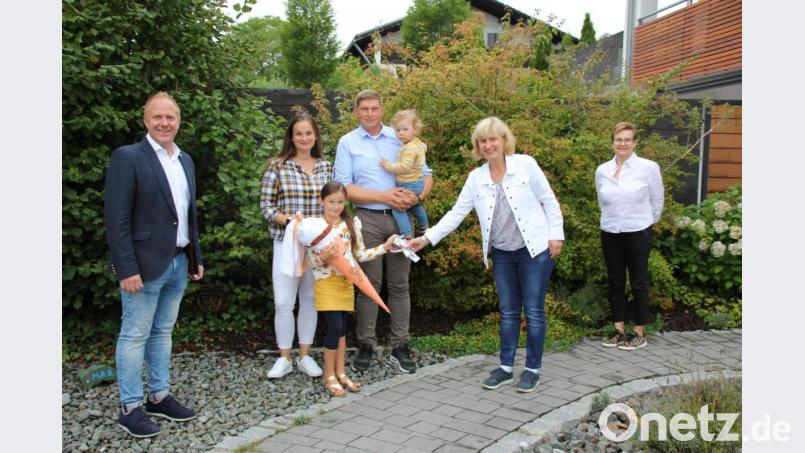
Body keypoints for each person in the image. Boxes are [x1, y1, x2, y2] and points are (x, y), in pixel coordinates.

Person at [410, 117, 564, 393]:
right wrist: (426, 238)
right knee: (507, 311)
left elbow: (549, 200)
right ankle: (505, 367)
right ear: (477, 147)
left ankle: (532, 369)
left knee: (534, 311)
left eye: (493, 139)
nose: (488, 144)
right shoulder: (476, 177)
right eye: (483, 140)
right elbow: (456, 213)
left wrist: (556, 235)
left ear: (505, 141)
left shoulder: (525, 165)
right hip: (503, 252)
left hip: (534, 249)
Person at [104, 92, 204, 438]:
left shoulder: (185, 160)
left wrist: (195, 258)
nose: (164, 123)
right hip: (143, 267)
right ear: (146, 121)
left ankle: (159, 396)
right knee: (134, 334)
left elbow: (188, 215)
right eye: (157, 117)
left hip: (178, 263)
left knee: (163, 332)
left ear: (178, 121)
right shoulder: (128, 158)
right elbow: (116, 219)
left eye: (170, 118)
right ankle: (130, 407)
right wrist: (125, 268)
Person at [334, 89, 433, 373]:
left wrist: (417, 198)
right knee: (368, 285)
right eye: (363, 109)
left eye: (374, 108)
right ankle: (366, 344)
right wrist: (384, 197)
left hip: (402, 218)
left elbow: (426, 175)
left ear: (381, 109)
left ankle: (400, 345)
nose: (369, 113)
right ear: (356, 112)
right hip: (368, 220)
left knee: (400, 284)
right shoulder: (348, 142)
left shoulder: (400, 134)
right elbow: (344, 188)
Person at [260, 113, 333, 378]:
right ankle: (284, 358)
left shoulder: (327, 167)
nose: (304, 138)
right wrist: (290, 222)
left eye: (308, 133)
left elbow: (335, 204)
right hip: (286, 243)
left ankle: (304, 356)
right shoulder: (277, 166)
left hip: (316, 246)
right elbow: (266, 207)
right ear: (291, 137)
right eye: (299, 133)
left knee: (310, 300)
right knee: (283, 302)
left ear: (315, 136)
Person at [308, 181, 398, 396]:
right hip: (326, 283)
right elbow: (312, 262)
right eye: (331, 201)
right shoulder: (315, 226)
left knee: (342, 330)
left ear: (346, 201)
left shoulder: (351, 224)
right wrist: (324, 257)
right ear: (322, 201)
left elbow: (359, 256)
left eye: (340, 202)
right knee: (335, 327)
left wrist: (384, 248)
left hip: (346, 284)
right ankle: (329, 376)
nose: (335, 206)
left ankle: (341, 373)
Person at [595, 122, 664, 351]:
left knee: (638, 282)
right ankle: (619, 329)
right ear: (612, 142)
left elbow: (657, 200)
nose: (622, 143)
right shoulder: (602, 170)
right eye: (618, 139)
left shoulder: (648, 168)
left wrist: (646, 223)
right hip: (610, 231)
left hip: (638, 230)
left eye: (627, 139)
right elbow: (601, 201)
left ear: (634, 142)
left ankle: (639, 332)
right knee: (615, 281)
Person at [379, 109, 430, 238]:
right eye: (398, 130)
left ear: (415, 130)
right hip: (417, 182)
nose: (401, 133)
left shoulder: (409, 148)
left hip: (409, 184)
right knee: (415, 205)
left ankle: (406, 235)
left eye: (405, 129)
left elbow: (405, 167)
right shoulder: (417, 143)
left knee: (398, 208)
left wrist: (387, 165)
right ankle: (424, 226)